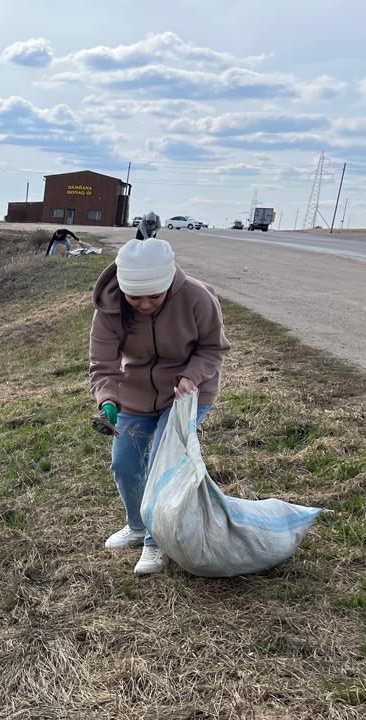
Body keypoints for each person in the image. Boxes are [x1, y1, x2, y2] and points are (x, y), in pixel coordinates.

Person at [89, 238, 230, 574]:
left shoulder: (197, 298)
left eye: (154, 296)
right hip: (135, 394)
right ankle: (137, 525)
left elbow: (214, 348)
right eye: (135, 297)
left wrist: (191, 377)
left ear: (169, 284)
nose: (145, 304)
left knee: (161, 462)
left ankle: (156, 541)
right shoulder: (109, 309)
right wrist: (107, 400)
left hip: (188, 394)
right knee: (124, 463)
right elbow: (103, 365)